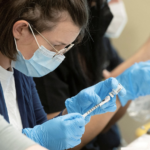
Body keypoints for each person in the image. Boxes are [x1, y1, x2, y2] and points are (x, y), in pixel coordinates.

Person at [0, 0, 126, 150]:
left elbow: (41, 129)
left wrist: (72, 113)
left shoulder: (21, 73)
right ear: (20, 29)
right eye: (55, 46)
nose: (58, 56)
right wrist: (32, 140)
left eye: (65, 48)